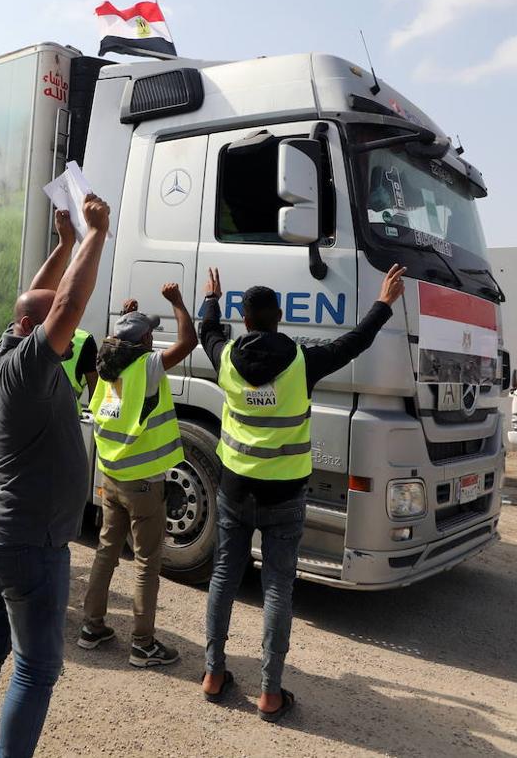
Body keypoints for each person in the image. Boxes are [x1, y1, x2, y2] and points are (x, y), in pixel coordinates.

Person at [199, 264, 406, 721]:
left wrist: (211, 296)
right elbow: (355, 342)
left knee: (224, 578)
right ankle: (270, 693)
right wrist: (383, 303)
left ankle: (213, 673)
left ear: (247, 320)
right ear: (278, 318)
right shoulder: (301, 361)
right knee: (277, 588)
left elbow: (206, 330)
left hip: (235, 488)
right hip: (284, 494)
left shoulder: (225, 356)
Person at [0, 197, 110, 758]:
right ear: (30, 327)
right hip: (29, 541)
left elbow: (41, 296)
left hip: (0, 527)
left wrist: (65, 246)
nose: (61, 334)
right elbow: (64, 304)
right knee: (37, 670)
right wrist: (97, 233)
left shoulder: (11, 347)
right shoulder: (27, 363)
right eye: (47, 326)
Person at [78, 282, 197, 668]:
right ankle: (143, 644)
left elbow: (119, 343)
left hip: (112, 476)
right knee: (146, 563)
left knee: (107, 552)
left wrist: (127, 318)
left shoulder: (108, 367)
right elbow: (189, 341)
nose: (153, 338)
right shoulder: (147, 366)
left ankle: (91, 627)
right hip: (144, 483)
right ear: (144, 342)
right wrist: (178, 303)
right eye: (149, 333)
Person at [61, 328, 97, 411]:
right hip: (68, 413)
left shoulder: (35, 331)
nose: (72, 344)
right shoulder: (84, 339)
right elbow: (93, 384)